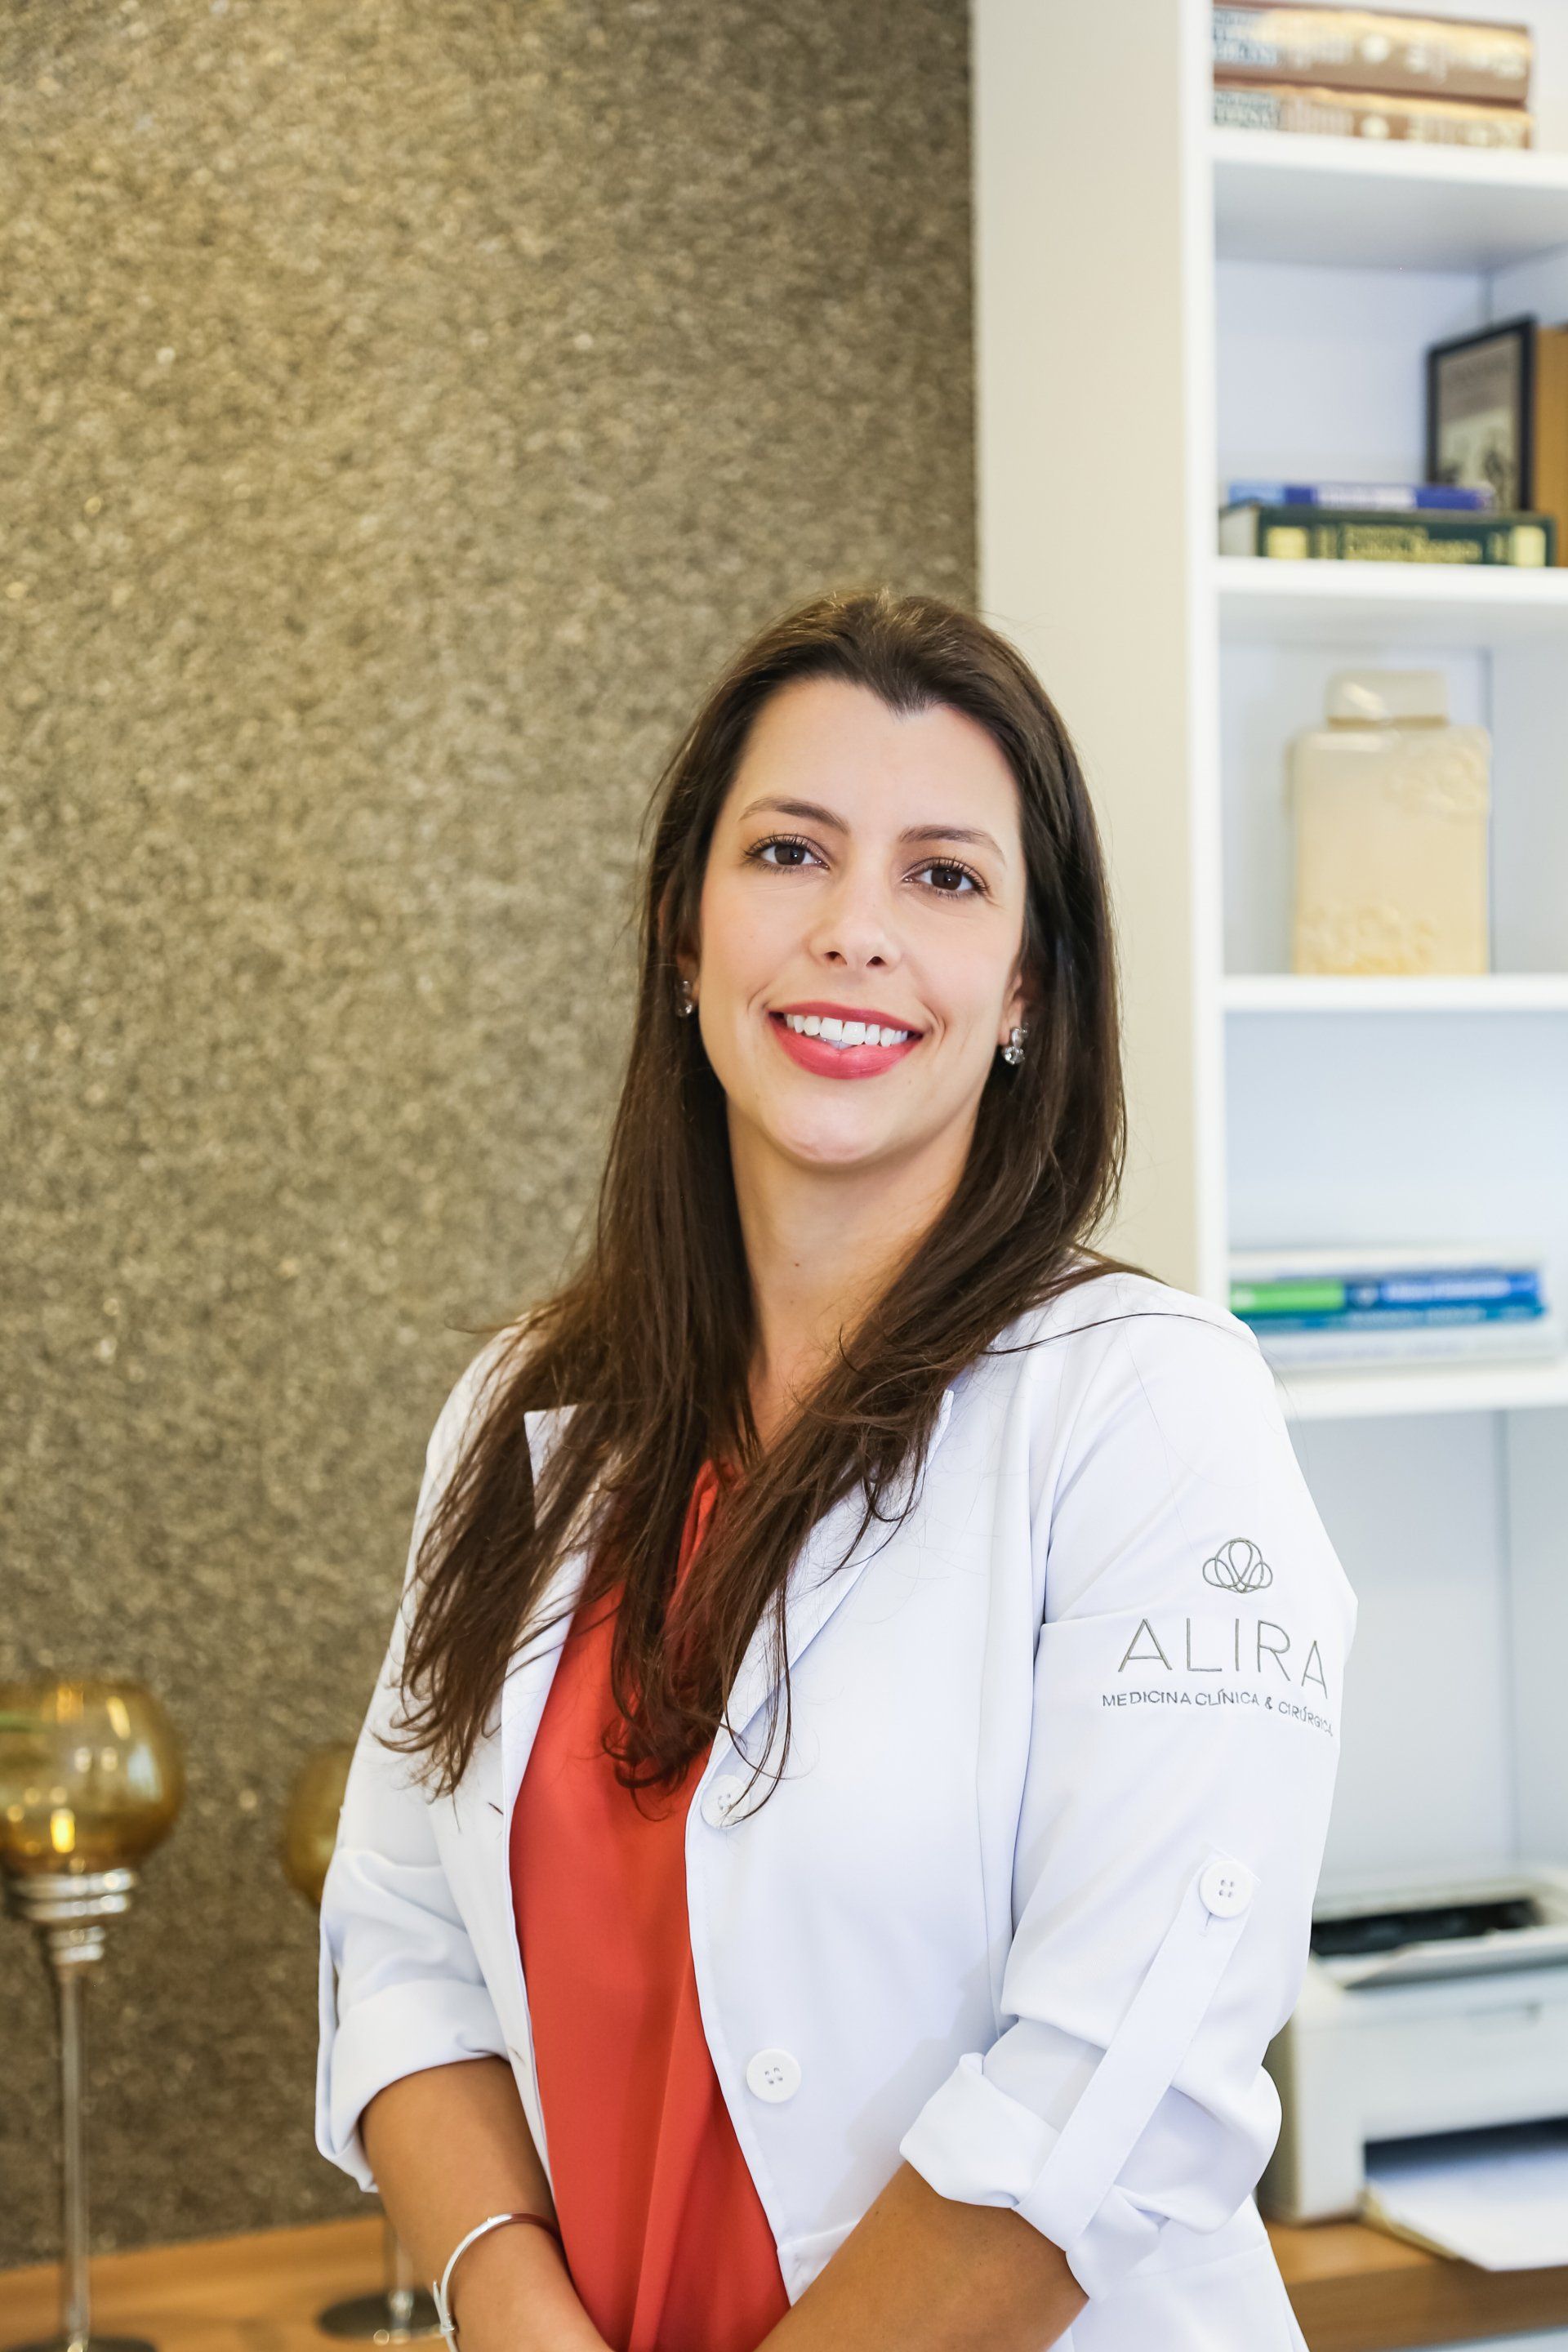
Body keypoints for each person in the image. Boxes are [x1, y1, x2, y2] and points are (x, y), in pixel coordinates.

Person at [315, 587, 1356, 2352]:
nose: (857, 932)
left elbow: (1122, 2084)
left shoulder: (1153, 1417)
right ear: (681, 932)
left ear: (1026, 987)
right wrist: (511, 2303)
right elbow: (400, 1952)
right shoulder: (521, 1418)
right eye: (792, 853)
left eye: (943, 877)